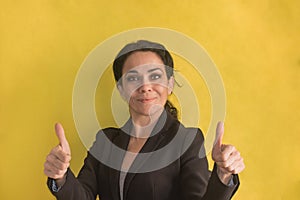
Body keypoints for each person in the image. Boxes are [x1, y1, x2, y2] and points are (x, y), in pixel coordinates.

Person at [44, 40, 245, 200]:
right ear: (121, 90)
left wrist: (223, 175)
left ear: (170, 84)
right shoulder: (105, 140)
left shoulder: (187, 140)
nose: (145, 86)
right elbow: (84, 196)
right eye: (133, 78)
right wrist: (61, 177)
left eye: (155, 76)